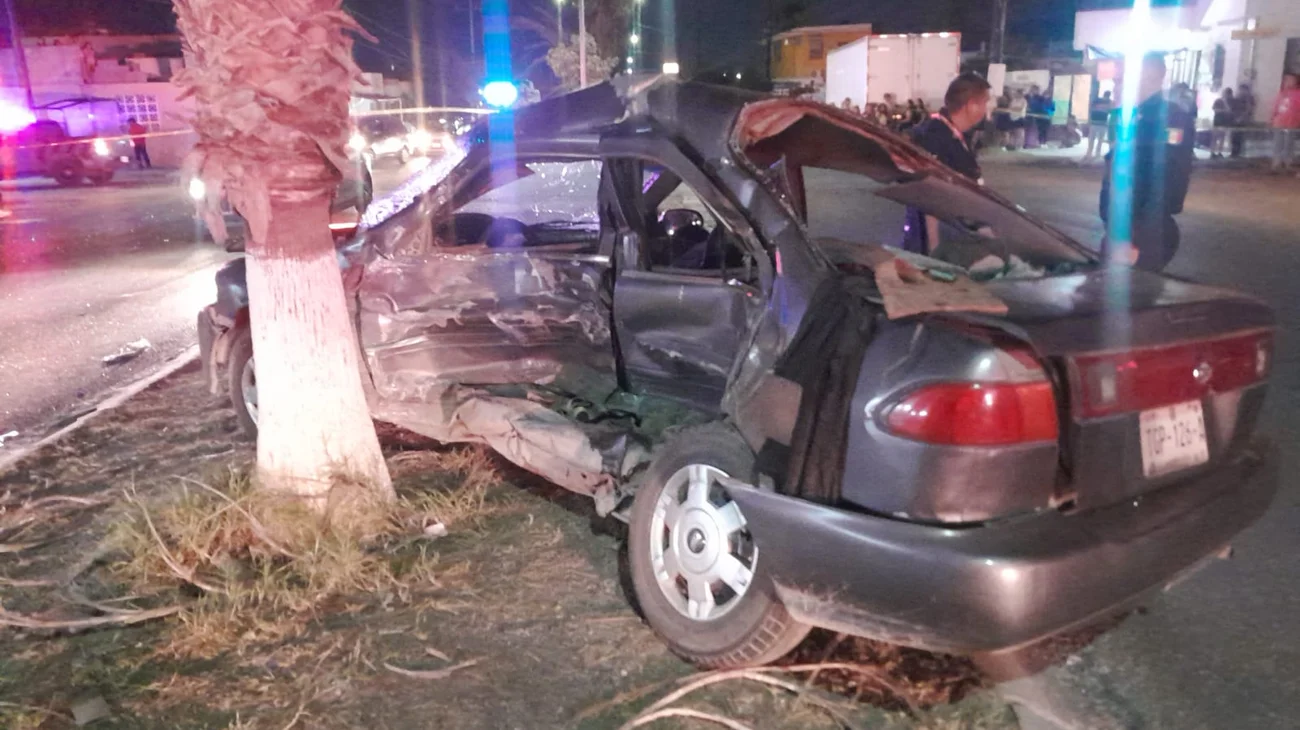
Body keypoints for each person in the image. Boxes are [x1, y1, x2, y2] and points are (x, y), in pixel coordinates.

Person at [1099, 52, 1196, 271]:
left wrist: (1137, 232)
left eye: (1122, 78)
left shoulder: (1169, 118)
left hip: (1142, 229)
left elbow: (1169, 175)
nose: (1116, 84)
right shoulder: (1132, 116)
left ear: (1148, 75)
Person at [901, 73, 992, 255]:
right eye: (985, 102)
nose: (988, 108)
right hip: (943, 240)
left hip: (956, 230)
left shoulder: (952, 133)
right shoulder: (936, 136)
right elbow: (931, 195)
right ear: (971, 106)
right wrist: (934, 252)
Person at [1270, 73, 1300, 171]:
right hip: (1279, 123)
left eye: (1291, 80)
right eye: (1286, 80)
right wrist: (1272, 118)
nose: (1288, 82)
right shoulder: (1282, 93)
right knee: (1278, 143)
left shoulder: (1298, 94)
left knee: (1289, 143)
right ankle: (1276, 162)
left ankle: (1287, 162)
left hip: (1292, 123)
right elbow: (1276, 106)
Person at [1083, 90, 1113, 162]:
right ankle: (1095, 154)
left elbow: (1091, 110)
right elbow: (1110, 111)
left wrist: (1089, 121)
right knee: (1098, 140)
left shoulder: (1097, 101)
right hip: (1101, 123)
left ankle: (1090, 154)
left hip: (1095, 123)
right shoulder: (1109, 102)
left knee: (1092, 139)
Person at [1230, 83, 1255, 157]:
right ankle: (1234, 153)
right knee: (1234, 137)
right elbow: (1232, 108)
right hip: (1235, 120)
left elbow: (1249, 109)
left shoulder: (1249, 99)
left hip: (1244, 121)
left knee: (1241, 138)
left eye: (1242, 90)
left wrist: (1241, 118)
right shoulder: (1237, 98)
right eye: (1240, 90)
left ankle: (1240, 153)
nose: (1240, 91)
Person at [1211, 87, 1235, 158]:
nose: (1226, 95)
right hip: (1217, 121)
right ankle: (1212, 152)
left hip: (1225, 122)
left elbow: (1230, 111)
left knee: (1222, 137)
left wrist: (1225, 103)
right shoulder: (1218, 100)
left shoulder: (1230, 102)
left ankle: (1219, 152)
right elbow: (1215, 109)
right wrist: (1223, 110)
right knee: (1215, 138)